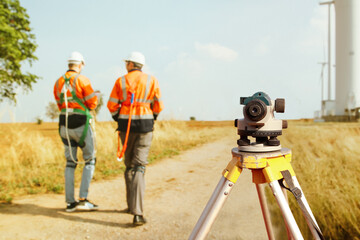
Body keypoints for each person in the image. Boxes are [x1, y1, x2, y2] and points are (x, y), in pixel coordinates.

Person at [107, 52, 164, 225]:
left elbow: (111, 105)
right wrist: (151, 117)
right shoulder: (151, 80)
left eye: (127, 63)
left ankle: (131, 206)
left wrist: (119, 117)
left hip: (126, 126)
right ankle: (138, 213)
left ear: (132, 64)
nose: (126, 65)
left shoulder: (120, 81)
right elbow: (158, 105)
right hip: (145, 126)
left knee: (129, 165)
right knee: (140, 166)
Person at [53, 51, 99, 212]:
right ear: (81, 65)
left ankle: (70, 203)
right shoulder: (82, 80)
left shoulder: (58, 82)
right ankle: (83, 199)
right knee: (90, 160)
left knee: (70, 163)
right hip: (81, 124)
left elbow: (59, 103)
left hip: (64, 125)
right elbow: (92, 103)